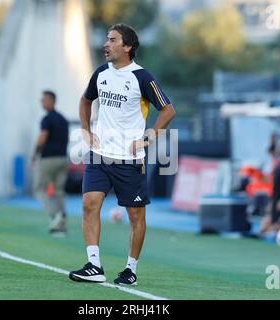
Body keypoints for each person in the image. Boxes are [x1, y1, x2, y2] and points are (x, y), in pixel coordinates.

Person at [68, 23, 176, 285]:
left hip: (129, 160)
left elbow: (168, 111)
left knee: (135, 215)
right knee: (89, 204)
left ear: (127, 47)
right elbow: (85, 100)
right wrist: (85, 129)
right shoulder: (101, 73)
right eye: (106, 39)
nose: (106, 44)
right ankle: (94, 265)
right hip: (99, 155)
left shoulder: (142, 77)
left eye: (113, 40)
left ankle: (130, 269)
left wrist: (148, 138)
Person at [31, 91, 69, 235]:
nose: (42, 102)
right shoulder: (63, 119)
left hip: (48, 159)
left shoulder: (46, 119)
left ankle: (54, 216)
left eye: (44, 100)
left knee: (38, 189)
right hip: (62, 159)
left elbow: (42, 138)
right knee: (59, 191)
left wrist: (34, 155)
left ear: (51, 101)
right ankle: (62, 223)